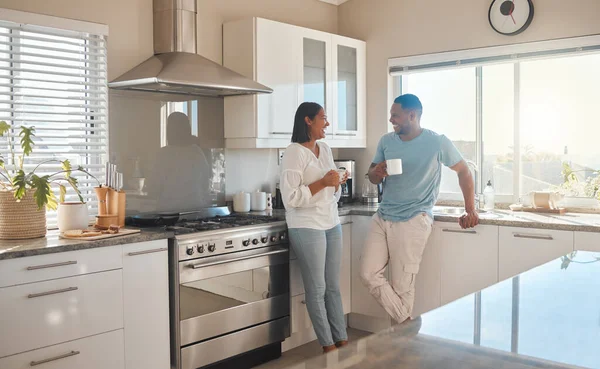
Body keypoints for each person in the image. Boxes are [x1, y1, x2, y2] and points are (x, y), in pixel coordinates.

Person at [360, 94, 479, 325]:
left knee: (402, 287)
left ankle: (401, 347)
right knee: (368, 273)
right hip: (383, 216)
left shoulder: (437, 142)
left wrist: (470, 209)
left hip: (414, 219)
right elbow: (372, 175)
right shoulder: (386, 141)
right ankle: (407, 326)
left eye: (396, 115)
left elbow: (464, 171)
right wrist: (377, 172)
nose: (391, 119)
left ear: (412, 115)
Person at [280, 102, 349, 353]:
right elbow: (290, 199)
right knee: (317, 289)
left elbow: (332, 194)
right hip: (306, 225)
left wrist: (338, 183)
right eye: (323, 118)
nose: (327, 123)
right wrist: (323, 182)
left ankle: (342, 340)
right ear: (308, 121)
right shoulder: (294, 152)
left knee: (333, 286)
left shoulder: (325, 149)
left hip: (331, 221)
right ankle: (328, 346)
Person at [146, 112, 211, 212]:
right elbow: (206, 182)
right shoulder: (197, 152)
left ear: (169, 131)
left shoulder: (163, 154)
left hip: (169, 211)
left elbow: (153, 188)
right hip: (196, 209)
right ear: (188, 129)